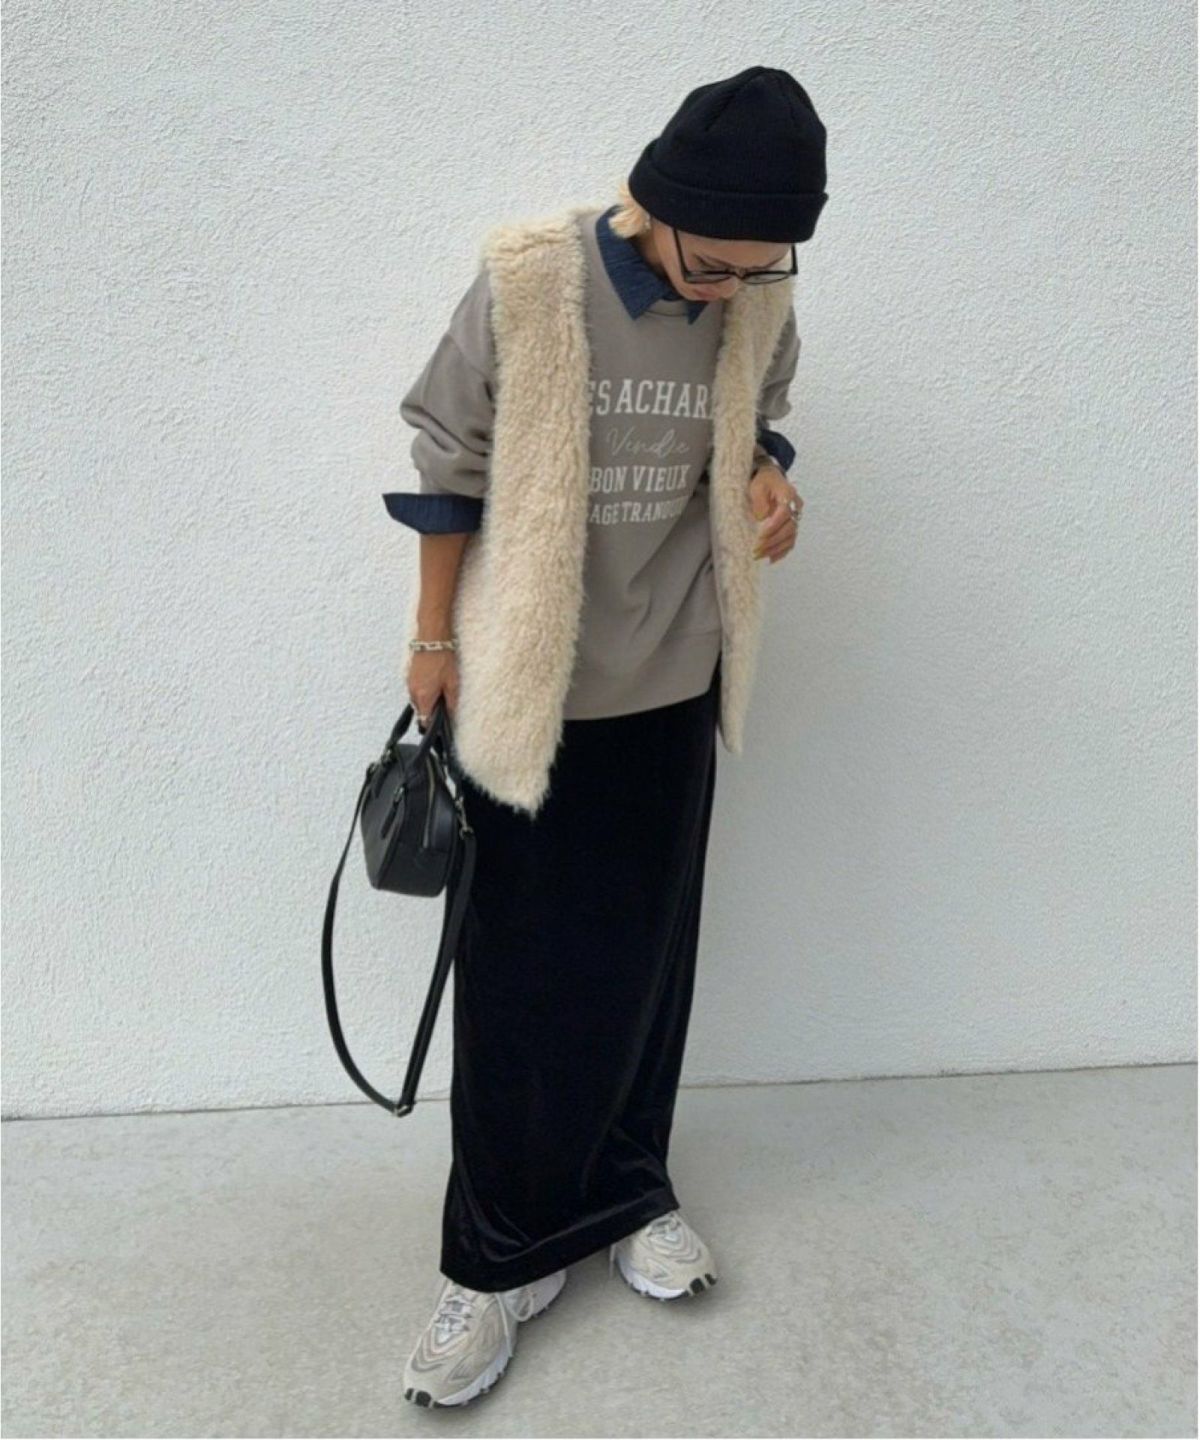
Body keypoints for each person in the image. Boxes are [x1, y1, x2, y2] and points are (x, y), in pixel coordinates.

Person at [381, 65, 828, 1408]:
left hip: (675, 673)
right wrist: (433, 639)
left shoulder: (754, 294)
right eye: (713, 264)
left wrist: (769, 481)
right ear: (655, 205)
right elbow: (447, 461)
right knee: (517, 981)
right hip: (533, 685)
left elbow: (758, 430)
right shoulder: (531, 282)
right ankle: (492, 1259)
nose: (730, 291)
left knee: (646, 961)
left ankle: (630, 1193)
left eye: (760, 268)